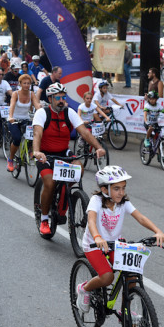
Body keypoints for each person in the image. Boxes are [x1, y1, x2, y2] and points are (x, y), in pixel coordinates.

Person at [75, 166, 164, 314]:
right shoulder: (96, 200)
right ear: (105, 189)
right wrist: (97, 237)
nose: (121, 192)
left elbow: (141, 218)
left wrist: (158, 231)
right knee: (107, 277)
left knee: (131, 274)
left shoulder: (123, 203)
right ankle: (84, 289)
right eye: (117, 188)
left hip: (114, 244)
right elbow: (91, 220)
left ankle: (127, 311)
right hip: (94, 245)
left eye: (123, 188)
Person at [32, 83, 105, 235]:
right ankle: (45, 219)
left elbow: (84, 132)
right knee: (50, 183)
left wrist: (98, 147)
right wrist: (37, 152)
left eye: (63, 97)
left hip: (64, 153)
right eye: (58, 97)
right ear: (50, 98)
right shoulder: (42, 113)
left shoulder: (69, 112)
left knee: (79, 168)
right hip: (46, 154)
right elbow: (37, 134)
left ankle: (63, 202)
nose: (61, 100)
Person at [6, 74, 41, 172]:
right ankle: (11, 159)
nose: (26, 85)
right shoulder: (15, 94)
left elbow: (37, 105)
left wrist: (41, 109)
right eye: (24, 83)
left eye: (28, 83)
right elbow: (12, 105)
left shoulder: (32, 94)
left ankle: (30, 150)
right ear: (20, 84)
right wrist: (11, 117)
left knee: (35, 134)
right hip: (15, 120)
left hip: (26, 119)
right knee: (17, 139)